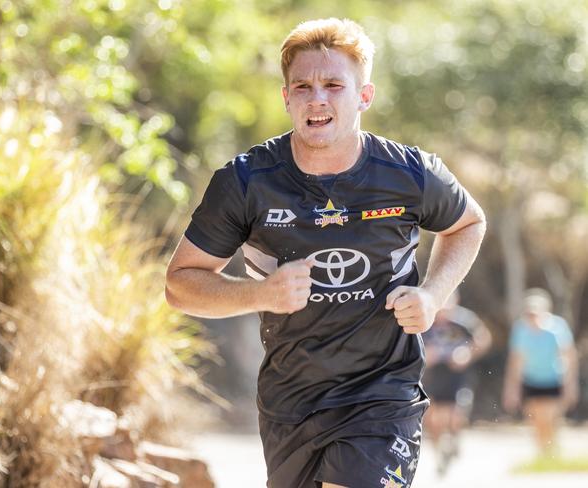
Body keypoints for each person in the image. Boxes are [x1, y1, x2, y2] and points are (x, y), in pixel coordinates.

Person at [165, 18, 486, 488]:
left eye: (334, 85)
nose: (318, 98)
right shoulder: (246, 182)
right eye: (304, 86)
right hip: (290, 402)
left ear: (364, 96)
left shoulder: (410, 174)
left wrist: (433, 295)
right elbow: (179, 285)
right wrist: (262, 295)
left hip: (383, 393)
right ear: (286, 97)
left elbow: (468, 223)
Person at [421, 290, 492, 476]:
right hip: (432, 375)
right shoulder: (425, 319)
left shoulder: (465, 320)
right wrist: (424, 356)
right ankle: (440, 454)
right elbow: (410, 345)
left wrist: (467, 354)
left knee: (455, 417)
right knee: (432, 419)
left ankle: (453, 440)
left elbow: (483, 340)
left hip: (458, 376)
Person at [502, 288, 579, 456]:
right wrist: (511, 390)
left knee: (550, 418)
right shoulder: (520, 329)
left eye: (535, 313)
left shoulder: (557, 328)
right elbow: (515, 362)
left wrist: (571, 385)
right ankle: (542, 453)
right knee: (536, 420)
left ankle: (553, 451)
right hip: (531, 379)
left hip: (553, 379)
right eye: (529, 313)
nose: (532, 317)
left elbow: (569, 357)